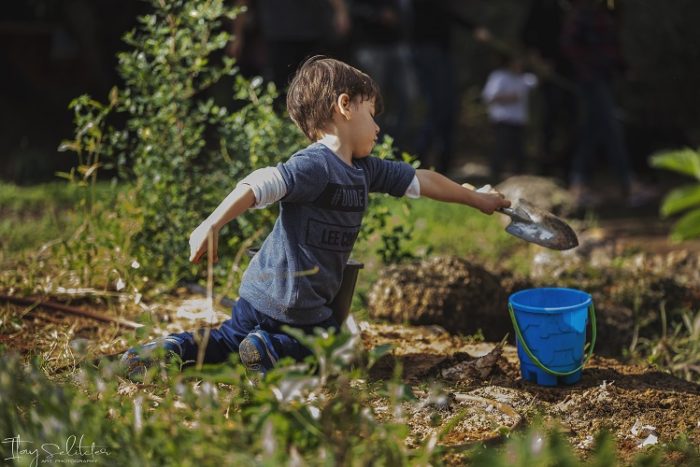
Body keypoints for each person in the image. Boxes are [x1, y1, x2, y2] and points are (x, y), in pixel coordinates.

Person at [120, 56, 510, 379]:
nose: (377, 127)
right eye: (371, 114)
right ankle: (271, 348)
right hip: (303, 310)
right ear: (344, 105)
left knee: (222, 343)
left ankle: (170, 349)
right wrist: (211, 222)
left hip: (258, 294)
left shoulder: (365, 170)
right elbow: (262, 182)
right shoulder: (315, 165)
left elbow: (419, 180)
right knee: (334, 348)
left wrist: (474, 198)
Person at [562, 0, 654, 207]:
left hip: (605, 78)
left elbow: (611, 47)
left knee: (593, 129)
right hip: (591, 80)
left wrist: (623, 69)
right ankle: (628, 185)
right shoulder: (581, 15)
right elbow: (569, 45)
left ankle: (578, 184)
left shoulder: (604, 13)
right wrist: (586, 69)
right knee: (611, 128)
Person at [481, 54, 538, 181]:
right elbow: (488, 96)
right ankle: (494, 178)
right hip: (503, 120)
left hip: (519, 121)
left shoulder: (524, 78)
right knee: (501, 150)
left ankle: (519, 179)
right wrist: (509, 98)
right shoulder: (499, 76)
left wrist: (534, 62)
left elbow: (538, 79)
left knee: (519, 153)